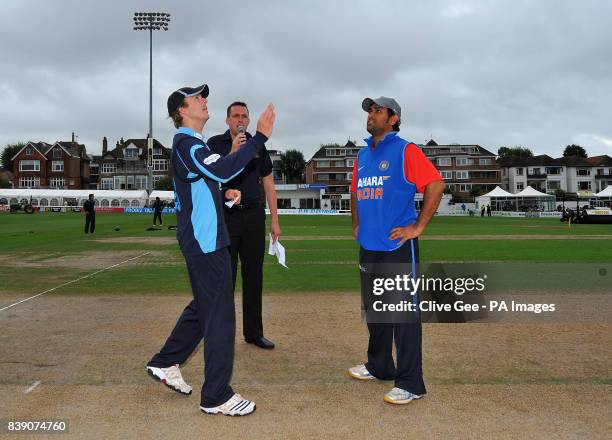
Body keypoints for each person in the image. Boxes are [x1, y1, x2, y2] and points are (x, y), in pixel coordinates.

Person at [146, 83, 275, 417]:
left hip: (206, 239)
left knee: (205, 306)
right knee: (219, 315)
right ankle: (216, 395)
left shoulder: (194, 145)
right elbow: (223, 169)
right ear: (181, 111)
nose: (204, 101)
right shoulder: (187, 144)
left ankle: (166, 361)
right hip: (205, 242)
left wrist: (223, 196)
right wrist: (259, 137)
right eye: (197, 98)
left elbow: (208, 183)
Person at [348, 96, 444, 405]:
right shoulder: (362, 155)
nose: (371, 115)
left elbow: (435, 184)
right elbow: (355, 191)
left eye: (378, 110)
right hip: (369, 246)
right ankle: (379, 365)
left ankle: (411, 382)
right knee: (376, 312)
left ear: (393, 118)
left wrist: (417, 227)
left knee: (402, 316)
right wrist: (357, 224)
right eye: (369, 111)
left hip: (397, 247)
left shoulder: (406, 150)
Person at [207, 102, 281, 350]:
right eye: (235, 115)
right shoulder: (214, 144)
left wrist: (275, 220)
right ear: (227, 120)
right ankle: (221, 334)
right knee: (224, 278)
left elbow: (269, 183)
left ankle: (254, 333)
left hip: (253, 216)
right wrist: (232, 152)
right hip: (227, 218)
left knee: (253, 277)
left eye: (244, 116)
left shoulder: (258, 144)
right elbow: (209, 180)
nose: (240, 119)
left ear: (249, 121)